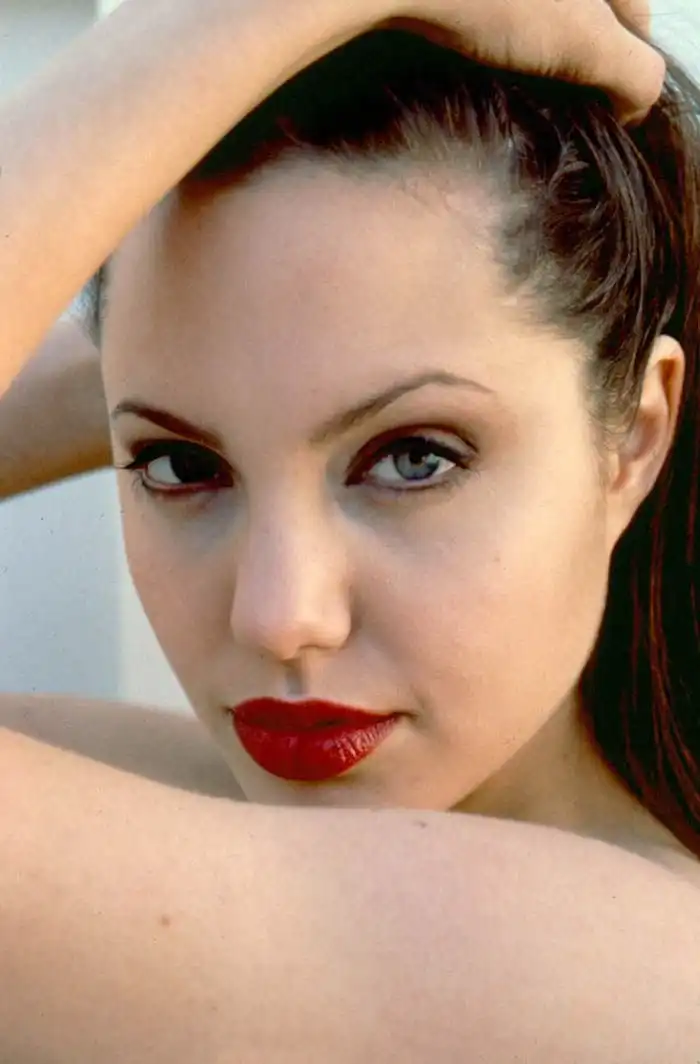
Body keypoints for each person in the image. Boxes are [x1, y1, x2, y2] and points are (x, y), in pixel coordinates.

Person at [1, 1, 698, 1061]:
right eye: (181, 465)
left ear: (634, 437)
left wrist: (236, 19)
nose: (280, 617)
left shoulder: (631, 972)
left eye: (415, 457)